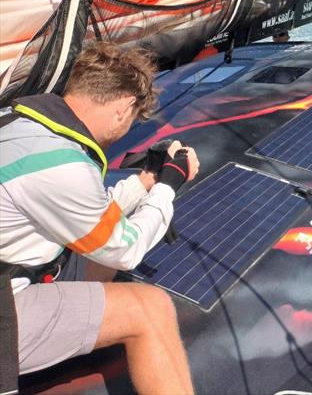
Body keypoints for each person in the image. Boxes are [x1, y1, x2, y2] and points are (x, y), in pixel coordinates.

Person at [0, 43, 199, 394]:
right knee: (150, 308)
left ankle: (85, 324)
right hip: (5, 308)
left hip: (10, 267)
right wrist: (169, 186)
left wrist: (144, 183)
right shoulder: (62, 164)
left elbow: (84, 214)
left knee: (94, 260)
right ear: (124, 108)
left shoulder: (19, 123)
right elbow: (125, 249)